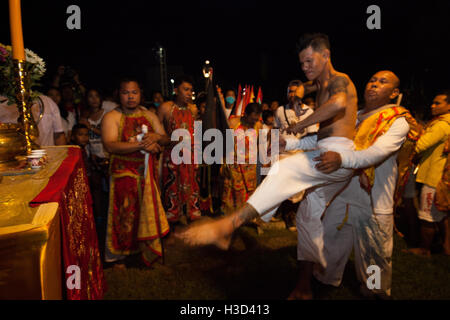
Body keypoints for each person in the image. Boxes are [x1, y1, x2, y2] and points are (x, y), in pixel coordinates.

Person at [176, 31, 358, 280]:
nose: (304, 68)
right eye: (301, 63)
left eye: (309, 61)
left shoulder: (340, 80)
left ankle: (229, 225)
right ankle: (312, 278)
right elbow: (324, 135)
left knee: (283, 171)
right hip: (324, 151)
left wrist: (298, 126)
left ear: (326, 55)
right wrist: (293, 141)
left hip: (340, 156)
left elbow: (338, 105)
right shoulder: (320, 87)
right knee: (307, 218)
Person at [309, 70, 419, 299]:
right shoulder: (353, 117)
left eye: (382, 82)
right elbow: (328, 140)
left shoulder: (398, 120)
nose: (374, 85)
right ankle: (325, 280)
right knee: (330, 240)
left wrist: (342, 159)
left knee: (374, 252)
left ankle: (374, 290)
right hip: (342, 193)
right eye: (372, 80)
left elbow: (376, 153)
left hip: (374, 198)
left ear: (394, 92)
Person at [101, 77, 170, 267]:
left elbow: (165, 137)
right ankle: (117, 255)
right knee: (122, 215)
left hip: (147, 174)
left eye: (134, 92)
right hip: (123, 175)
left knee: (145, 212)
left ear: (140, 94)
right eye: (125, 93)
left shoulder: (149, 115)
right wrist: (142, 145)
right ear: (118, 95)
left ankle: (144, 249)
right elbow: (110, 145)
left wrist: (156, 138)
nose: (130, 97)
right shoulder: (111, 117)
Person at [406, 90, 450, 257]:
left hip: (433, 178)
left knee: (427, 215)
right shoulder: (444, 123)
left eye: (438, 103)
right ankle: (446, 248)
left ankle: (424, 249)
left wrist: (411, 136)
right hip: (441, 177)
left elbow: (420, 145)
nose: (433, 106)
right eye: (432, 102)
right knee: (440, 215)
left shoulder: (441, 125)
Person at [158, 74, 202, 226]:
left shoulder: (193, 109)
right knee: (172, 184)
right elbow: (158, 132)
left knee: (190, 183)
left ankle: (189, 212)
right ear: (176, 90)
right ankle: (172, 216)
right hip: (171, 153)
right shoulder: (166, 108)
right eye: (186, 89)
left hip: (190, 154)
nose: (189, 93)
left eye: (191, 90)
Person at [79, 88, 110, 240]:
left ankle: (112, 215)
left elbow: (107, 135)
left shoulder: (107, 115)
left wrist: (90, 127)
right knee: (96, 189)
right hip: (94, 157)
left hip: (107, 155)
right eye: (90, 96)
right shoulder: (84, 116)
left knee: (111, 188)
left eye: (96, 96)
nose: (94, 99)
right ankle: (99, 218)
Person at [221, 103, 262, 215]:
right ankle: (231, 218)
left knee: (248, 192)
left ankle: (246, 217)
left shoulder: (258, 125)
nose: (253, 122)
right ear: (245, 114)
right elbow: (225, 143)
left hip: (250, 167)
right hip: (235, 165)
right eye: (251, 119)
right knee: (233, 191)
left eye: (256, 119)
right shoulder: (233, 123)